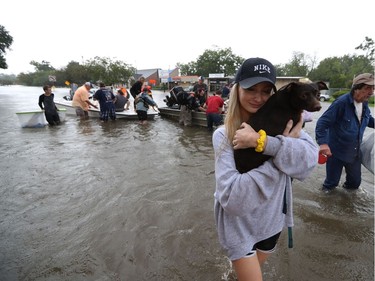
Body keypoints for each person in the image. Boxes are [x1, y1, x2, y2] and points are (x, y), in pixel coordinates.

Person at [212, 57, 318, 280]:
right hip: (238, 226)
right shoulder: (224, 134)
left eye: (265, 90)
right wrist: (282, 154)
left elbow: (308, 164)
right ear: (237, 89)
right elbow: (233, 199)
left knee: (247, 273)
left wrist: (268, 144)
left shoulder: (290, 125)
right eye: (251, 89)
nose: (258, 97)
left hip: (272, 222)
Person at [315, 73, 374, 191]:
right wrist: (323, 144)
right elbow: (322, 123)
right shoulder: (341, 103)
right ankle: (326, 206)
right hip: (336, 152)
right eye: (368, 88)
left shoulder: (364, 103)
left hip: (354, 153)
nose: (372, 92)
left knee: (354, 184)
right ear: (357, 88)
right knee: (331, 185)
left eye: (373, 88)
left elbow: (368, 120)